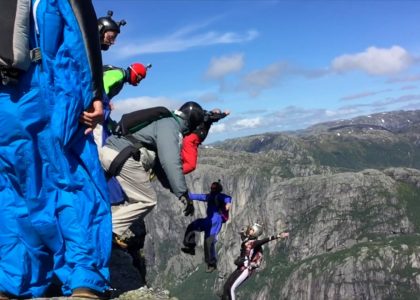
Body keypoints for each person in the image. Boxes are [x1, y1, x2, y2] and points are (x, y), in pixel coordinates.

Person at [0, 0, 111, 298]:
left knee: (14, 190)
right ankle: (84, 277)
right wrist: (94, 94)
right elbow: (77, 33)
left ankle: (14, 281)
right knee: (72, 181)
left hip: (4, 102)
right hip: (46, 87)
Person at [99, 101, 205, 248]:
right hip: (124, 157)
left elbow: (160, 168)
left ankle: (93, 224)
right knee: (147, 200)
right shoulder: (171, 127)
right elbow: (170, 161)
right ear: (191, 123)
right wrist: (183, 192)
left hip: (109, 152)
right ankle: (107, 230)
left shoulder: (163, 121)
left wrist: (179, 193)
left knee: (96, 193)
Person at [221, 223, 289, 300]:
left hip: (245, 269)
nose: (249, 230)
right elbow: (244, 236)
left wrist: (278, 236)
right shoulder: (248, 240)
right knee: (226, 287)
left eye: (252, 230)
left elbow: (265, 240)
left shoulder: (254, 242)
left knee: (231, 288)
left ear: (255, 232)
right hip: (240, 268)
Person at [181, 181, 232, 273]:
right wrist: (185, 194)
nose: (212, 190)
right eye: (211, 188)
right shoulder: (209, 197)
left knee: (209, 241)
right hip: (208, 220)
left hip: (216, 220)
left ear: (217, 189)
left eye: (213, 188)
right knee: (192, 226)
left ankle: (212, 264)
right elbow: (198, 196)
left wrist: (228, 203)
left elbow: (227, 198)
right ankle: (190, 246)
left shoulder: (218, 196)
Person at [182, 109, 229, 174]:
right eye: (217, 113)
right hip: (191, 141)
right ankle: (172, 174)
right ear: (214, 112)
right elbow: (214, 117)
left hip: (191, 141)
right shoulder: (207, 116)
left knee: (182, 162)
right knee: (191, 165)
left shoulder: (201, 114)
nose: (217, 114)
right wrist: (224, 114)